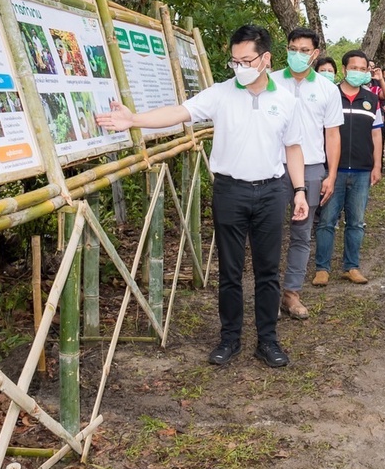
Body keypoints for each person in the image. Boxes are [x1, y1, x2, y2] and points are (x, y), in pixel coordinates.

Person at [96, 24, 307, 369]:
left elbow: (294, 147)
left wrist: (299, 191)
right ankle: (230, 339)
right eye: (234, 61)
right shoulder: (221, 94)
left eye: (247, 60)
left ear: (266, 59)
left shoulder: (285, 100)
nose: (240, 67)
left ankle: (268, 341)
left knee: (268, 272)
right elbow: (180, 112)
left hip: (271, 192)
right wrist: (133, 119)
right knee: (230, 271)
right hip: (230, 191)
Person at [271, 28, 343, 320]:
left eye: (304, 50)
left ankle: (291, 293)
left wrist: (331, 174)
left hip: (313, 168)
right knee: (269, 232)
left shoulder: (327, 89)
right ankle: (268, 292)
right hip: (273, 167)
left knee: (301, 233)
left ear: (315, 54)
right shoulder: (271, 82)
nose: (297, 55)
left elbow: (333, 135)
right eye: (292, 48)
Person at [314, 50, 383, 286]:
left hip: (362, 171)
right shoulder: (329, 96)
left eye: (363, 69)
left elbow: (377, 133)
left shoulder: (372, 100)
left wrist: (377, 165)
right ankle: (322, 268)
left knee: (356, 222)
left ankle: (351, 267)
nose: (358, 72)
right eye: (354, 68)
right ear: (344, 70)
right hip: (334, 171)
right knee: (326, 221)